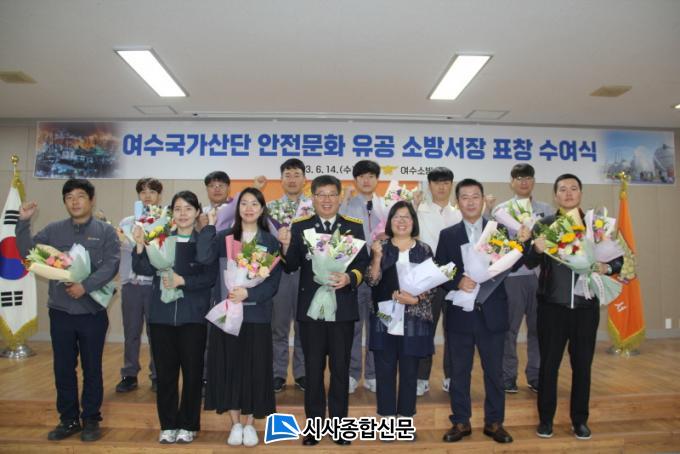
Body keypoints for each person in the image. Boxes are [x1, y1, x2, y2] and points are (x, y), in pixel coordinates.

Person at [17, 178, 120, 442]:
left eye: (80, 196)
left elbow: (111, 265)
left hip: (92, 312)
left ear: (91, 200)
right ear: (64, 202)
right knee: (63, 368)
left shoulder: (105, 231)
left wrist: (85, 286)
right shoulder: (53, 230)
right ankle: (68, 419)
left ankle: (91, 419)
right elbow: (29, 254)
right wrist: (23, 223)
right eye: (69, 197)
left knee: (92, 367)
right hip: (61, 311)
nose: (75, 202)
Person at [527, 174, 622, 440]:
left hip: (585, 308)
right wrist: (536, 249)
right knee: (549, 366)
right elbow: (529, 263)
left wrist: (606, 267)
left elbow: (620, 261)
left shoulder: (595, 225)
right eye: (562, 189)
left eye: (573, 188)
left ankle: (580, 420)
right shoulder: (544, 224)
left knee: (582, 366)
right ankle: (545, 420)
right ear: (555, 195)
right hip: (552, 307)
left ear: (580, 193)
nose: (568, 193)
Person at [437, 179, 530, 444]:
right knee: (459, 372)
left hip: (492, 311)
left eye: (475, 196)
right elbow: (441, 269)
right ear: (458, 202)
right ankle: (460, 421)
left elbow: (512, 264)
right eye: (464, 197)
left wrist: (523, 244)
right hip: (460, 312)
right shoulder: (448, 234)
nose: (470, 202)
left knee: (494, 372)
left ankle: (494, 422)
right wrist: (457, 281)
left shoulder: (498, 230)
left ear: (483, 200)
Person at [279, 175, 369, 446]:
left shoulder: (353, 226)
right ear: (313, 198)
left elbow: (362, 264)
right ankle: (315, 427)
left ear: (340, 198)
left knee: (340, 369)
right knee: (314, 369)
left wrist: (349, 278)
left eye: (332, 194)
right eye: (321, 194)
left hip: (342, 309)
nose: (327, 199)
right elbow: (291, 265)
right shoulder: (301, 226)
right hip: (312, 311)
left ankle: (340, 427)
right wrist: (286, 245)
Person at [198, 187, 282, 447]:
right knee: (230, 367)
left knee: (255, 368)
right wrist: (210, 226)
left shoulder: (270, 241)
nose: (248, 208)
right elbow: (204, 258)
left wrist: (249, 293)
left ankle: (250, 424)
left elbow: (273, 283)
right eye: (244, 203)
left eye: (254, 203)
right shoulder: (224, 237)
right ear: (237, 209)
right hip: (227, 312)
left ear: (262, 209)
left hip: (256, 314)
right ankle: (235, 423)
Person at [131, 190, 217, 444]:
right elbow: (142, 268)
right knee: (166, 374)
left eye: (188, 209)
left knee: (192, 374)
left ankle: (189, 424)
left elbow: (208, 278)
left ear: (197, 212)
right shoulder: (160, 238)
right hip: (161, 316)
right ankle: (168, 424)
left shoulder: (204, 242)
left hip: (193, 317)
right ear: (171, 213)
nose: (183, 214)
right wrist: (140, 243)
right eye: (178, 209)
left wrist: (183, 281)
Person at [366, 201, 434, 425]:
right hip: (384, 319)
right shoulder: (380, 247)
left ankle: (405, 420)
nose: (402, 221)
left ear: (413, 222)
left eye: (406, 217)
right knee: (384, 372)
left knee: (409, 373)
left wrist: (415, 299)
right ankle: (387, 420)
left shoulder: (424, 250)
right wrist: (377, 258)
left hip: (413, 320)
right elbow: (371, 281)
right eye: (397, 217)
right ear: (390, 222)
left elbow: (432, 285)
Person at [492, 164, 552, 394]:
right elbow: (495, 245)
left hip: (540, 277)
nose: (524, 182)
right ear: (511, 182)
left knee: (539, 329)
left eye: (528, 178)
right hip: (513, 277)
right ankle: (508, 376)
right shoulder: (501, 210)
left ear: (533, 181)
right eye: (519, 178)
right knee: (509, 330)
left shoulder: (545, 210)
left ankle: (536, 375)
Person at [415, 166, 461, 396]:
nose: (441, 187)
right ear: (429, 185)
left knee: (454, 330)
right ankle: (421, 377)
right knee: (425, 330)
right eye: (436, 182)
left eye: (446, 183)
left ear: (451, 185)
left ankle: (451, 376)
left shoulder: (459, 213)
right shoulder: (419, 210)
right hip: (428, 279)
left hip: (454, 279)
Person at [115, 177, 163, 393]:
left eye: (152, 192)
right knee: (131, 332)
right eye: (143, 192)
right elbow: (120, 249)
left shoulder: (164, 221)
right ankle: (129, 374)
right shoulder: (126, 222)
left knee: (157, 333)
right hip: (131, 284)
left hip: (155, 285)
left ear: (159, 195)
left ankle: (157, 375)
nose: (147, 196)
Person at [267, 159, 310, 393]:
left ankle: (302, 373)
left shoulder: (313, 207)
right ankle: (278, 373)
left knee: (304, 325)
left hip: (306, 273)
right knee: (279, 326)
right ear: (281, 179)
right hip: (280, 272)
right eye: (287, 175)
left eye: (296, 175)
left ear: (304, 179)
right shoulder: (270, 208)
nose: (292, 179)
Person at [339, 159, 380, 393]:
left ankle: (373, 374)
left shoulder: (386, 206)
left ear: (377, 180)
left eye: (371, 176)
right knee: (353, 327)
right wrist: (344, 200)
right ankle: (352, 374)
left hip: (380, 274)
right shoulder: (347, 204)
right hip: (354, 274)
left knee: (377, 326)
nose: (366, 180)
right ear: (355, 180)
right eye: (362, 176)